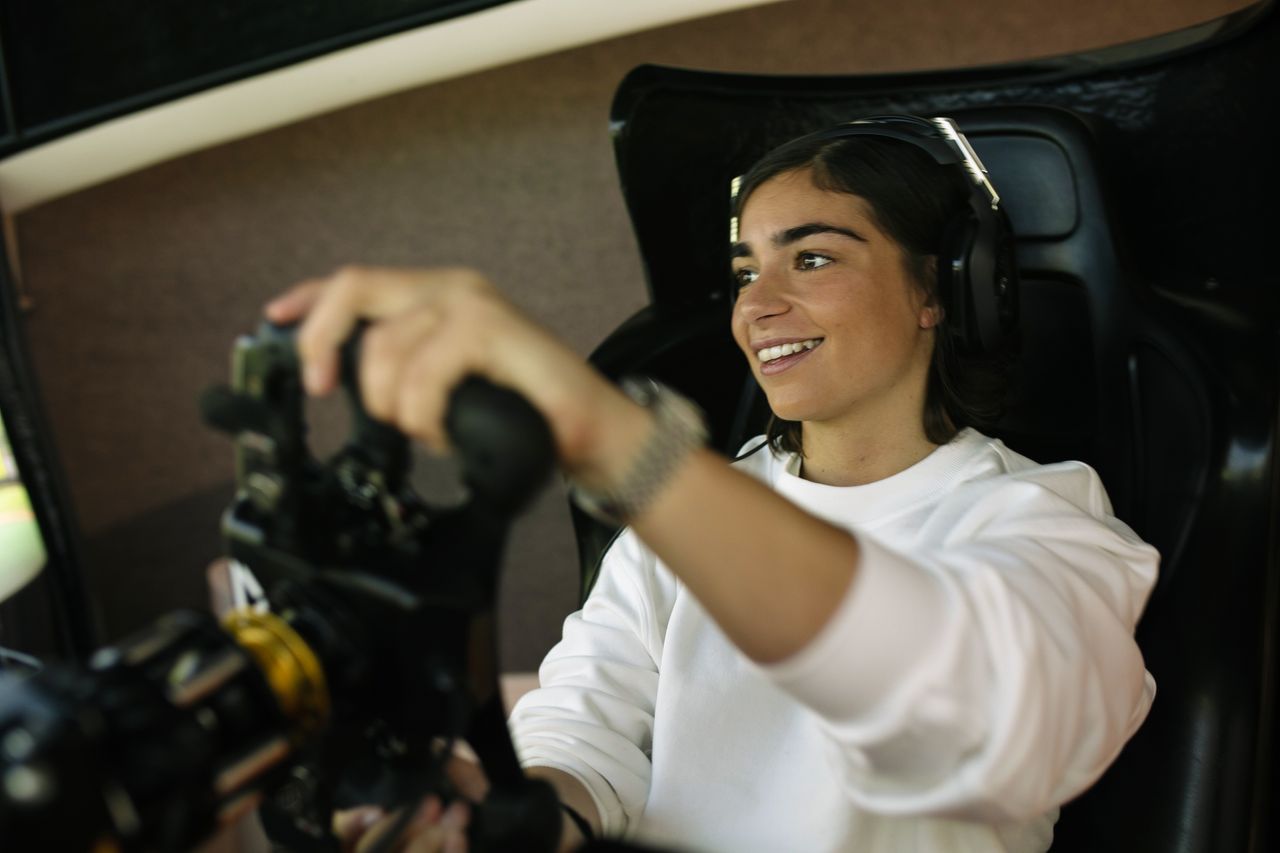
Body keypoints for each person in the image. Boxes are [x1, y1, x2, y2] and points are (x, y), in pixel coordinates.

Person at [266, 117, 1158, 853]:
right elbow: (586, 725)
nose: (757, 305)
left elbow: (991, 721)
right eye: (745, 273)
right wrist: (526, 814)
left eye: (812, 259)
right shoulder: (686, 510)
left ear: (941, 288)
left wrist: (620, 443)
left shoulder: (1045, 516)